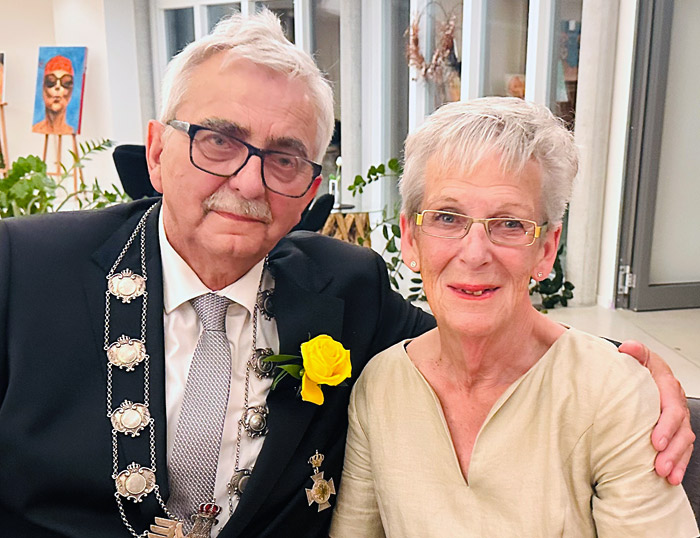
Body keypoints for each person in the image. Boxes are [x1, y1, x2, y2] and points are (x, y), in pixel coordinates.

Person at [0, 11, 691, 538]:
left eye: (284, 157)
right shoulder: (22, 270)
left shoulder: (345, 288)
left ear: (309, 189)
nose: (248, 181)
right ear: (157, 151)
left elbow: (480, 329)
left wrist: (629, 374)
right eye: (218, 140)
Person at [330, 98, 698, 537]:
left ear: (546, 249)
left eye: (509, 224)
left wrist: (627, 382)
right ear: (411, 239)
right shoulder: (381, 386)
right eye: (447, 217)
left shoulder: (610, 393)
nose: (474, 253)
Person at [32, 54, 75, 135]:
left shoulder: (72, 131)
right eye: (51, 81)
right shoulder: (36, 128)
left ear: (71, 91)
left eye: (66, 82)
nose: (57, 87)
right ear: (43, 88)